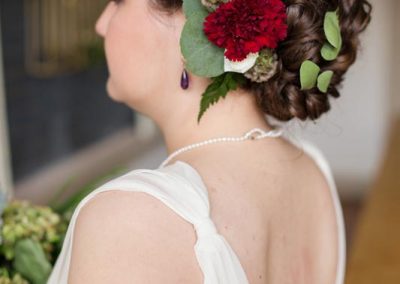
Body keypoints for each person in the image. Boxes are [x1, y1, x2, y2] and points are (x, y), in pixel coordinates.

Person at [47, 0, 372, 283]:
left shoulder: (129, 220)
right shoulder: (312, 169)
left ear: (193, 23)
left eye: (119, 1)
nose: (101, 24)